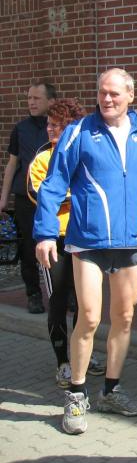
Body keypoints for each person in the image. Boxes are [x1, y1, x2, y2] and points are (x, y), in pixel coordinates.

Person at [33, 68, 137, 435]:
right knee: (90, 317)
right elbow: (53, 184)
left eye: (114, 93)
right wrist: (46, 234)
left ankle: (111, 391)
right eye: (102, 92)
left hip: (131, 242)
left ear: (131, 95)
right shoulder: (79, 132)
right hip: (89, 241)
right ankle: (76, 394)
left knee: (125, 317)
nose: (107, 98)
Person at [27, 98, 106, 388]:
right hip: (56, 241)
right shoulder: (42, 159)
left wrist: (70, 195)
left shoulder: (87, 153)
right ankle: (63, 362)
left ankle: (83, 354)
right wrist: (74, 195)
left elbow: (97, 189)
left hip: (84, 238)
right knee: (58, 302)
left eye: (57, 125)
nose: (50, 129)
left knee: (86, 303)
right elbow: (39, 194)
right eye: (49, 124)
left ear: (71, 127)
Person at [0, 82, 56, 313]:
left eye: (37, 98)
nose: (31, 102)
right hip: (26, 199)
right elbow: (12, 164)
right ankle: (33, 294)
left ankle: (65, 293)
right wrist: (3, 198)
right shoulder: (20, 129)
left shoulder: (59, 127)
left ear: (51, 101)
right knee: (29, 248)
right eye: (29, 98)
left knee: (60, 247)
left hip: (56, 200)